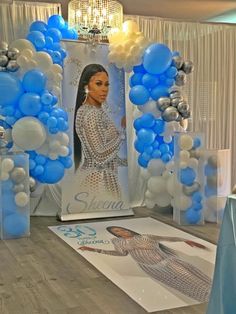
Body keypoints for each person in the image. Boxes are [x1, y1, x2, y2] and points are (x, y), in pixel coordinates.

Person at [78, 226, 212, 302]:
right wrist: (95, 249)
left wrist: (185, 240)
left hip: (167, 261)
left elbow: (167, 238)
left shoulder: (146, 236)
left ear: (128, 230)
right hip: (151, 268)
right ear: (115, 234)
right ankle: (206, 298)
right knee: (180, 284)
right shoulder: (118, 242)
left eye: (122, 229)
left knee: (189, 276)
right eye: (117, 232)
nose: (122, 232)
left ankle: (215, 292)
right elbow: (121, 254)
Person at [73, 64, 126, 199]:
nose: (104, 89)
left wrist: (125, 162)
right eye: (98, 84)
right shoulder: (91, 114)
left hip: (105, 178)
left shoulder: (94, 110)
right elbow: (99, 155)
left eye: (107, 84)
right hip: (98, 181)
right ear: (86, 87)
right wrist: (122, 134)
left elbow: (107, 154)